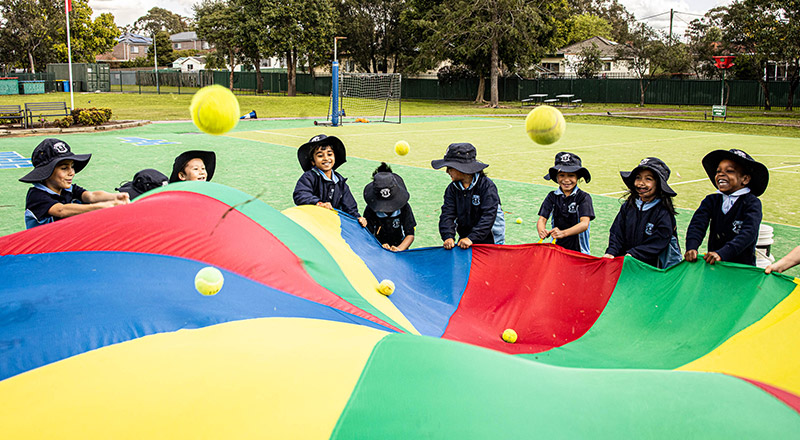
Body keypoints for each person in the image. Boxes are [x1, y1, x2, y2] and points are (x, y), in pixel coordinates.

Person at [19, 138, 129, 229]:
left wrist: (115, 197)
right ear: (46, 172)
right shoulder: (37, 195)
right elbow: (61, 210)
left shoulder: (68, 189)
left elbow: (91, 196)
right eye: (64, 168)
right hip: (42, 249)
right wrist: (102, 207)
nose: (72, 172)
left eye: (72, 166)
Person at [684, 149, 768, 267]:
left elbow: (749, 233)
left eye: (729, 171)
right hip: (715, 265)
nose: (721, 174)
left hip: (741, 267)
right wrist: (692, 247)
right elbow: (697, 224)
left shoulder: (752, 203)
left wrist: (722, 253)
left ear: (745, 179)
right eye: (718, 171)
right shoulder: (712, 200)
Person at [603, 157, 681, 268]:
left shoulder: (663, 212)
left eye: (648, 179)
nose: (641, 183)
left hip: (650, 269)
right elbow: (617, 232)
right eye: (638, 178)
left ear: (658, 184)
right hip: (626, 265)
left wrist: (633, 254)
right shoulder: (628, 206)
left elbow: (658, 242)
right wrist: (611, 252)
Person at [431, 142, 504, 249]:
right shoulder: (452, 189)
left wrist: (472, 238)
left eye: (450, 167)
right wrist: (448, 236)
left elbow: (488, 217)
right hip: (466, 239)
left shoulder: (487, 187)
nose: (447, 171)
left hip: (490, 241)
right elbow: (447, 214)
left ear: (463, 169)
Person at [293, 134, 367, 227]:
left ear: (334, 157)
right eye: (320, 155)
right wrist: (318, 203)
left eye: (329, 154)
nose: (326, 158)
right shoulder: (309, 177)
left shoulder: (340, 182)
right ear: (313, 161)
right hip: (310, 220)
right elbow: (300, 194)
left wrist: (357, 218)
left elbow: (349, 206)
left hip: (329, 223)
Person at [537, 152, 595, 254]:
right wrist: (542, 230)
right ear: (556, 177)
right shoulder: (552, 196)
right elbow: (542, 219)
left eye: (571, 175)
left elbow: (584, 224)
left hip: (579, 251)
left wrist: (563, 233)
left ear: (578, 177)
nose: (566, 180)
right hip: (556, 248)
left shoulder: (583, 197)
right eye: (562, 175)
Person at [363, 163, 416, 251]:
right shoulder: (371, 208)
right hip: (377, 249)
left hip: (400, 247)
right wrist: (379, 246)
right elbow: (367, 235)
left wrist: (399, 249)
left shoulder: (404, 207)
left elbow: (410, 234)